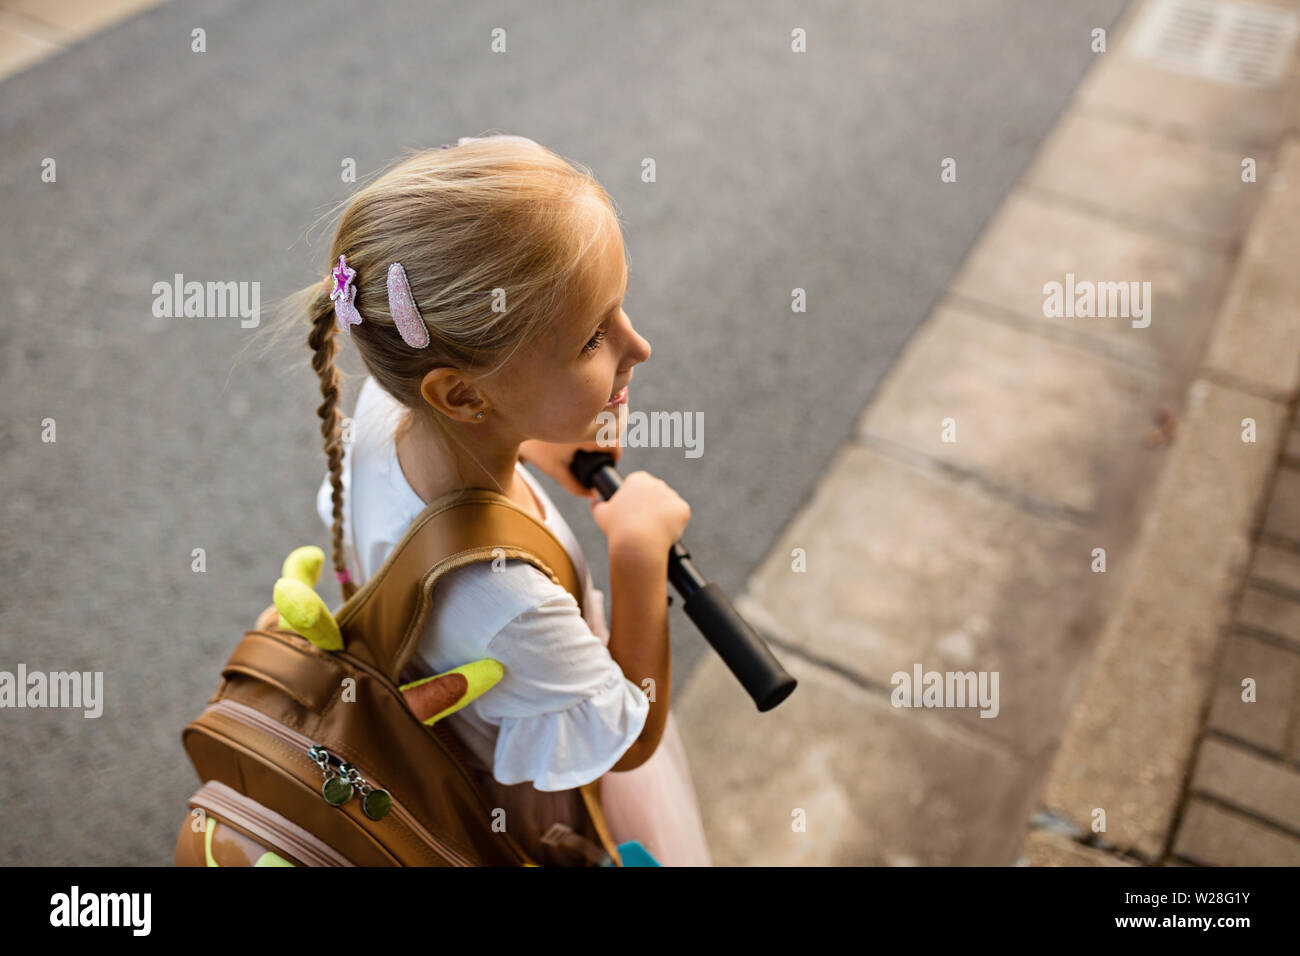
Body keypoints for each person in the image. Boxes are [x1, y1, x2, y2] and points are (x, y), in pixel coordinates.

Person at [275, 134, 710, 865]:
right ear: (464, 394)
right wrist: (638, 554)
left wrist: (533, 441)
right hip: (523, 809)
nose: (639, 347)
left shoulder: (388, 415)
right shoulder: (511, 601)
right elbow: (628, 743)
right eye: (592, 338)